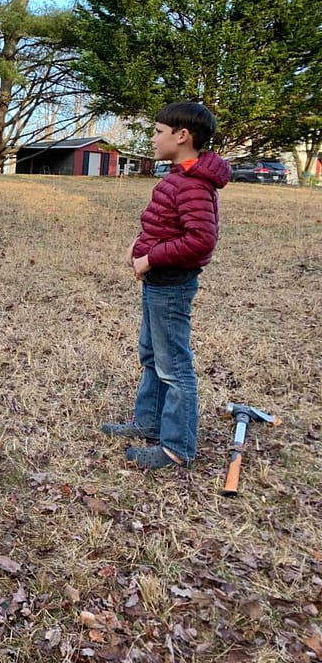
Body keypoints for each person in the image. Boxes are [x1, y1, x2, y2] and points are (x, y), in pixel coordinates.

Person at [101, 101, 230, 469]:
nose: (153, 138)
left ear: (182, 136)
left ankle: (176, 449)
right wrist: (139, 245)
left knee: (174, 366)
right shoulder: (178, 177)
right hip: (158, 283)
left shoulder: (193, 184)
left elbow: (201, 241)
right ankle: (150, 422)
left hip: (171, 285)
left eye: (158, 132)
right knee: (152, 355)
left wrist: (151, 258)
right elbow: (164, 225)